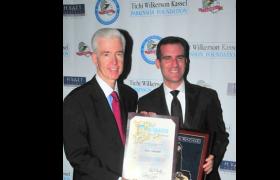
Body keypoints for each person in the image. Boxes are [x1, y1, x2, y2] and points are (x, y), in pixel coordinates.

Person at [138, 36, 229, 180]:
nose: (174, 64)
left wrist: (213, 157)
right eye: (167, 58)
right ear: (157, 63)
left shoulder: (207, 97)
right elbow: (143, 149)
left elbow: (220, 136)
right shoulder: (146, 102)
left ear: (186, 61)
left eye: (179, 58)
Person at [63, 28, 138, 180]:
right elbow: (78, 156)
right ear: (95, 58)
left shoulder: (130, 95)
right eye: (106, 54)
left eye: (119, 54)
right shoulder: (75, 101)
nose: (114, 62)